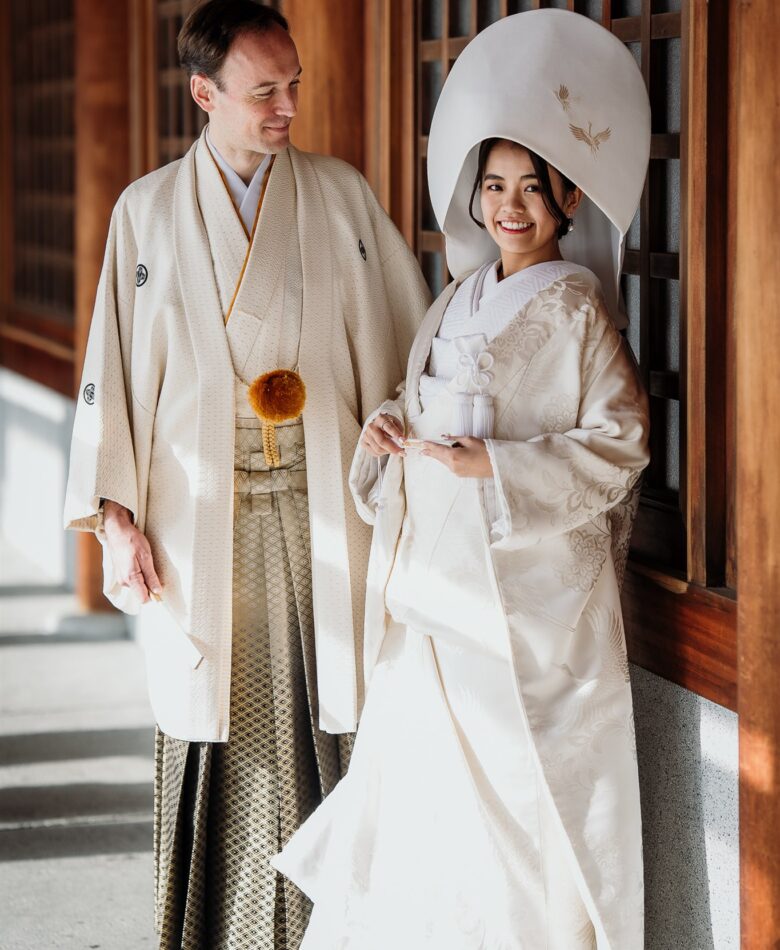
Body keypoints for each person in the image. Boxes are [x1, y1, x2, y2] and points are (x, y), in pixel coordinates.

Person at [272, 10, 651, 949]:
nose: (509, 207)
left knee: (517, 817)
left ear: (566, 200)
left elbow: (621, 441)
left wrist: (499, 465)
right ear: (473, 196)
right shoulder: (452, 300)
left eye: (531, 188)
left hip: (515, 613)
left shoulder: (574, 314)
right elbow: (409, 417)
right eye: (493, 186)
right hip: (436, 600)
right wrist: (388, 433)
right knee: (423, 816)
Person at [63, 2, 429, 948]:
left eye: (293, 84)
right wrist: (118, 517)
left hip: (322, 511)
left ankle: (336, 928)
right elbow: (115, 373)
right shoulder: (145, 211)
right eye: (264, 91)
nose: (286, 107)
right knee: (213, 721)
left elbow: (402, 339)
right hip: (196, 518)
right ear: (204, 93)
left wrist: (403, 422)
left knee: (331, 710)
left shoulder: (340, 197)